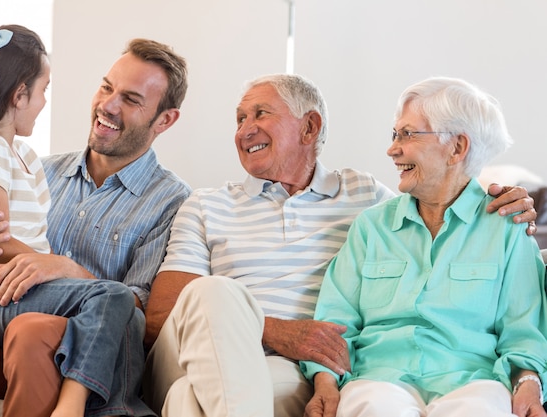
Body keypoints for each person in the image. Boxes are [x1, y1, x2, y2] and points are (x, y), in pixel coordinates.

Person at [141, 73, 539, 417]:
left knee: (186, 401)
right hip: (199, 350)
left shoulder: (366, 199)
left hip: (281, 370)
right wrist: (274, 331)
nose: (244, 129)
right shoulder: (207, 205)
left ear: (309, 127)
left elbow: (441, 197)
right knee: (215, 293)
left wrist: (510, 201)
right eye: (240, 119)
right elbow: (159, 316)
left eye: (260, 114)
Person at [0, 36, 191, 417]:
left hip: (66, 346)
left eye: (130, 100)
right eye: (106, 87)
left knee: (33, 331)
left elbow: (141, 311)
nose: (108, 106)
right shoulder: (37, 170)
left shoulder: (172, 201)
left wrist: (68, 270)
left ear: (165, 119)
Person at [300, 76, 547, 417]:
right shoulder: (372, 227)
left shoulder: (508, 227)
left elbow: (525, 334)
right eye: (394, 134)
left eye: (408, 134)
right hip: (377, 380)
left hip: (475, 381)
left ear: (457, 148)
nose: (392, 148)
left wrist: (528, 386)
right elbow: (334, 324)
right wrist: (325, 385)